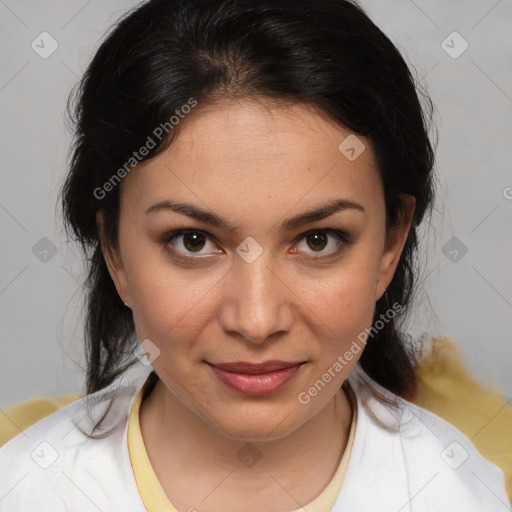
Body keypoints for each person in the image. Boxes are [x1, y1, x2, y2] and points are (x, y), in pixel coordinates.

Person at [0, 0, 509, 510]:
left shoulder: (460, 494)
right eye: (193, 241)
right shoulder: (25, 490)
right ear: (114, 252)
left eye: (318, 240)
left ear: (389, 244)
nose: (257, 321)